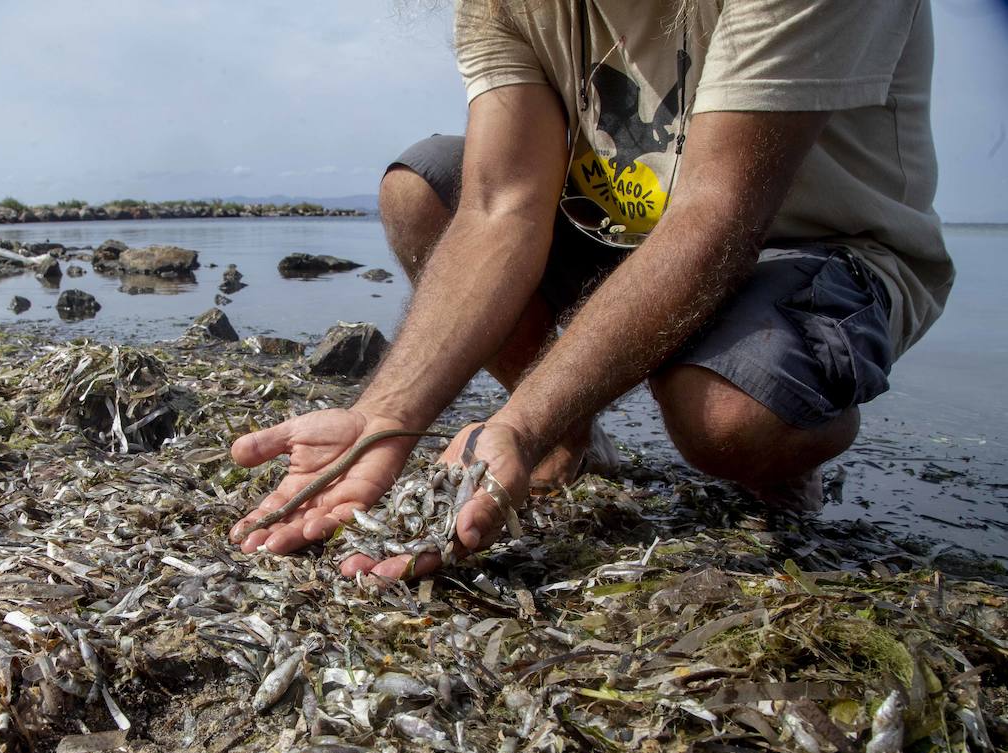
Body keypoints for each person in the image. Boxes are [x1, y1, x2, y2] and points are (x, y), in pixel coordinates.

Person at [230, 0, 954, 579]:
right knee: (424, 191)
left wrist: (516, 422)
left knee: (728, 419)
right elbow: (500, 207)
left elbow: (718, 214)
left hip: (807, 247)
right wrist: (384, 416)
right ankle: (569, 439)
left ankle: (790, 443)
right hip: (621, 230)